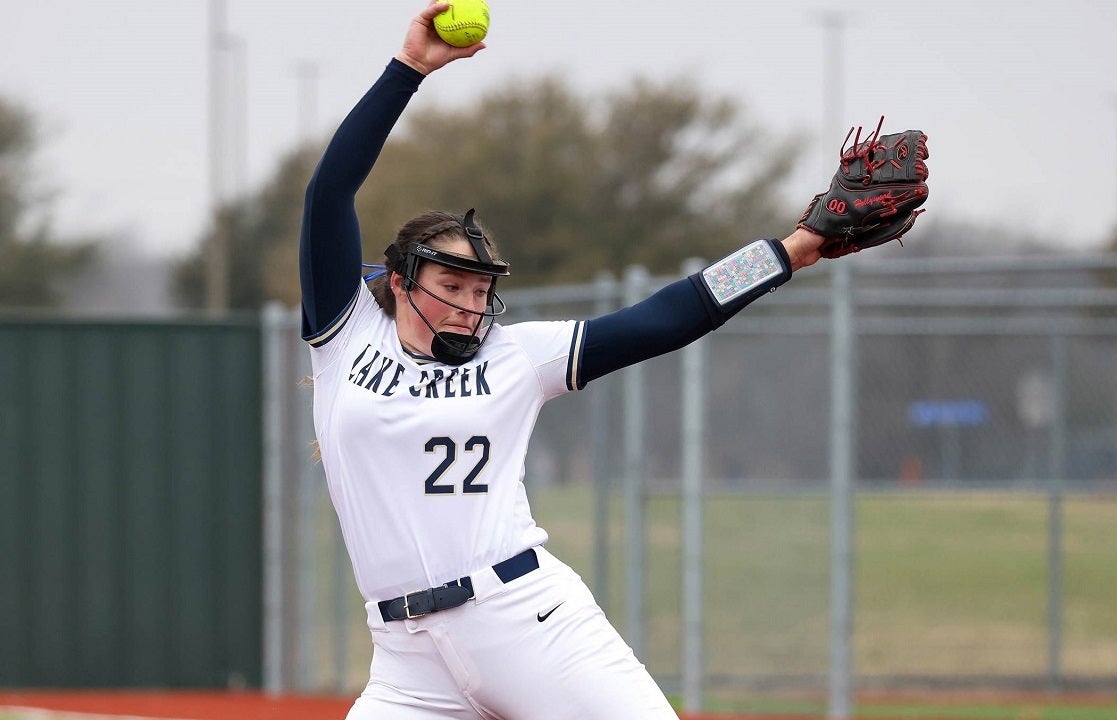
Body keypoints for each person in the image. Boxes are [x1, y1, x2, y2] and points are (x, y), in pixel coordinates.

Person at [299, 3, 831, 718]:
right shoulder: (346, 335)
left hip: (530, 626)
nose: (467, 303)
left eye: (479, 289)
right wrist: (409, 70)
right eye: (450, 285)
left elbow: (666, 317)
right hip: (407, 661)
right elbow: (328, 194)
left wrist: (789, 252)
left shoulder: (516, 354)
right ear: (399, 282)